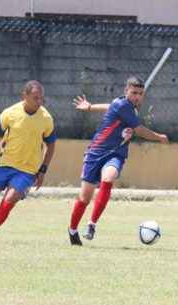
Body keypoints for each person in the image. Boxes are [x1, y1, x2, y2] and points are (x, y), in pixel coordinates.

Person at [67, 76, 169, 246]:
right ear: (126, 91)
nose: (137, 96)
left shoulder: (123, 104)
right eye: (134, 92)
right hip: (95, 153)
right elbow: (140, 130)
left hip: (116, 154)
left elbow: (110, 105)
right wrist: (159, 137)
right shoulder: (123, 106)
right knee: (84, 198)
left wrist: (91, 107)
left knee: (108, 177)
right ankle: (72, 229)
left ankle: (92, 224)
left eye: (141, 93)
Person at [0, 80, 56, 243]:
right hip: (4, 164)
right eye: (36, 98)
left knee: (9, 201)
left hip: (27, 170)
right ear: (25, 96)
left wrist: (42, 170)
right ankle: (10, 186)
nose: (39, 102)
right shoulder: (10, 113)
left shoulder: (46, 118)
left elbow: (51, 144)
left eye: (42, 98)